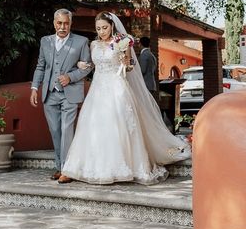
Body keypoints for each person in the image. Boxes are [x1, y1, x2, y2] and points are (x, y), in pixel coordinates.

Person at [58, 12, 190, 185]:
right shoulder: (93, 45)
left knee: (118, 124)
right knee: (93, 126)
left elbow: (129, 68)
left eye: (104, 27)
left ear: (112, 26)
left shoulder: (122, 42)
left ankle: (124, 167)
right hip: (97, 90)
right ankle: (86, 167)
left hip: (117, 88)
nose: (102, 31)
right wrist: (83, 65)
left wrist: (124, 61)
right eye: (98, 28)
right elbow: (92, 66)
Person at [30, 9, 92, 181]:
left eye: (66, 23)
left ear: (70, 24)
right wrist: (35, 88)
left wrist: (70, 77)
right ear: (54, 23)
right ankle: (60, 167)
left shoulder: (81, 41)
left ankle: (68, 169)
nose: (63, 26)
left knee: (66, 131)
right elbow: (40, 66)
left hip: (70, 94)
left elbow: (87, 67)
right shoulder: (45, 41)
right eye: (59, 23)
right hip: (50, 93)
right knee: (55, 131)